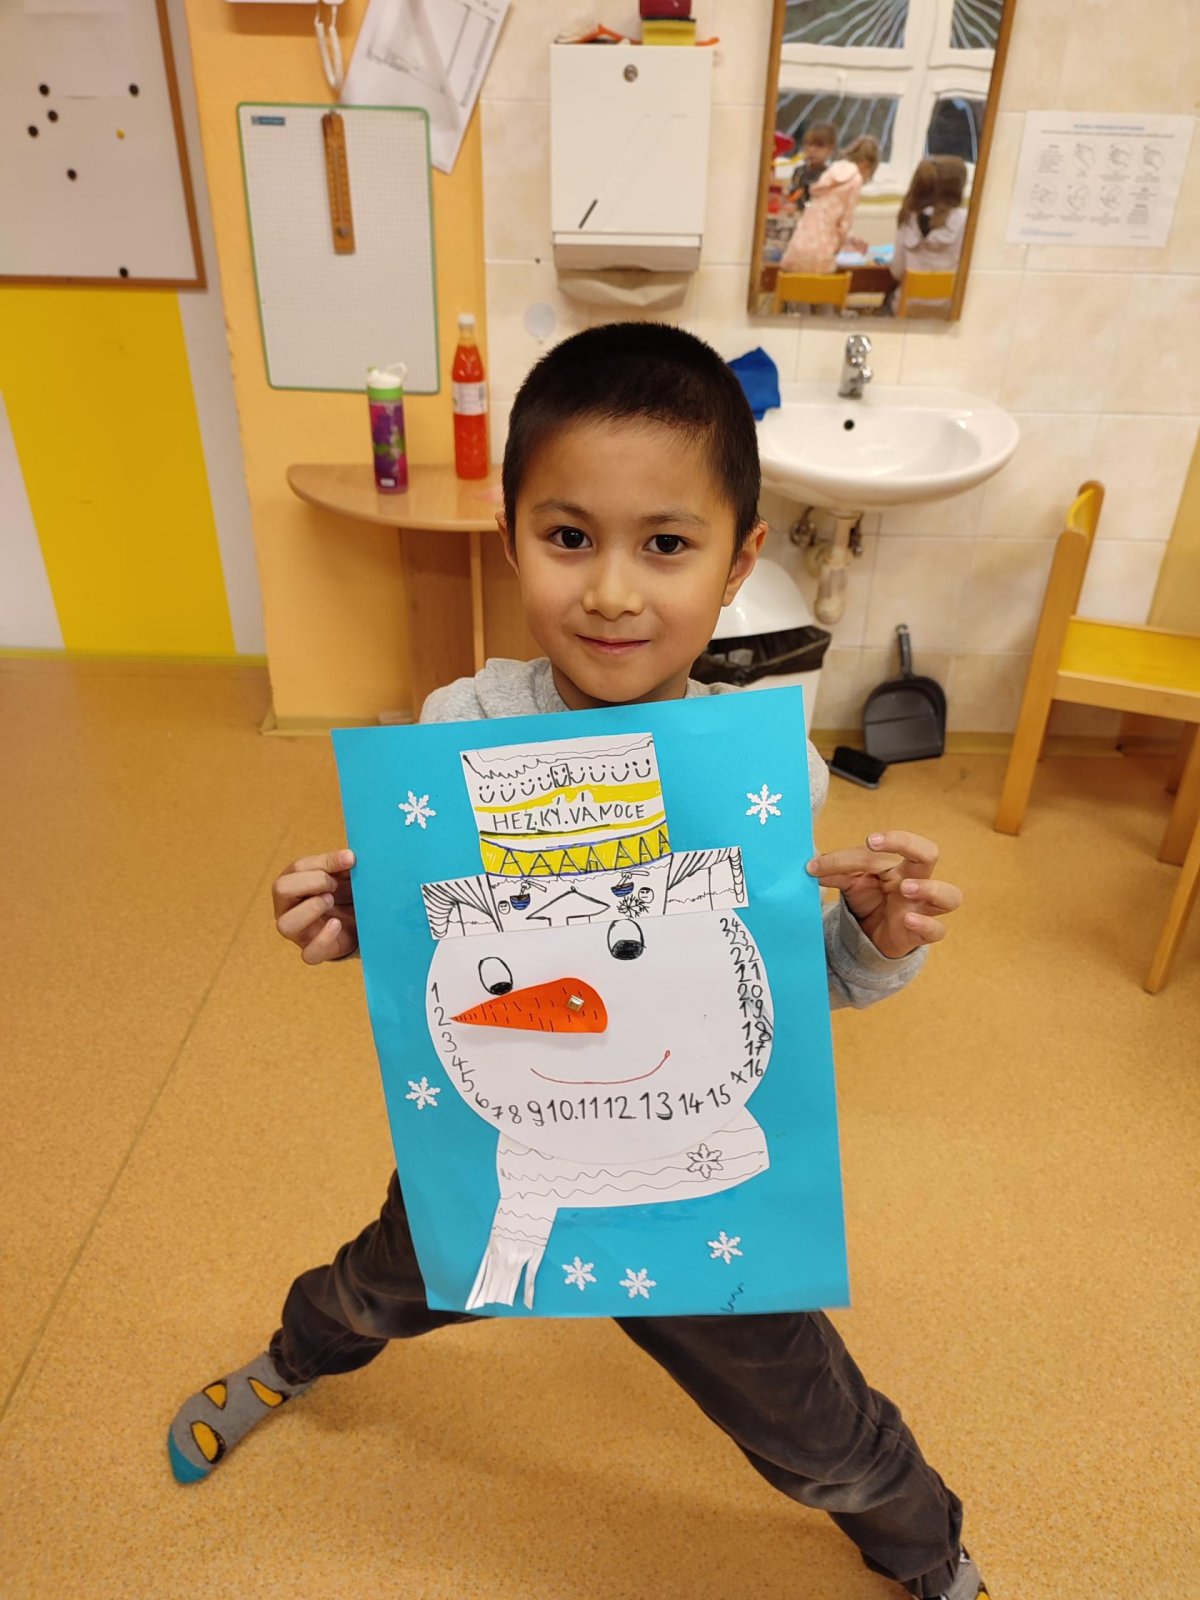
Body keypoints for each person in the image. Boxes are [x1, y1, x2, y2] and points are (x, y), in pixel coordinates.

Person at [166, 323, 985, 1600]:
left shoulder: (765, 772)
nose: (612, 591)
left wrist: (872, 939)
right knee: (381, 1281)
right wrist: (359, 919)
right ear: (511, 538)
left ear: (739, 560)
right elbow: (451, 949)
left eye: (666, 544)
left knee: (819, 1432)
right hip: (507, 1150)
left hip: (695, 1183)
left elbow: (779, 989)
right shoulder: (458, 728)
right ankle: (293, 1355)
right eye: (568, 536)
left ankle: (929, 1553)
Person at [779, 134, 880, 275]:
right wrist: (843, 243)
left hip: (797, 249)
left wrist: (852, 239)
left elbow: (826, 216)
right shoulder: (855, 180)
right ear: (866, 164)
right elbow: (843, 225)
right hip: (821, 257)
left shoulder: (833, 171)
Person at [887, 156, 969, 313]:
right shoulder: (966, 220)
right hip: (948, 310)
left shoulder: (907, 218)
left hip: (907, 309)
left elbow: (897, 272)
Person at [788, 119, 838, 209]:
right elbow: (792, 196)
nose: (812, 150)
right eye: (809, 144)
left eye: (819, 145)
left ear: (830, 149)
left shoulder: (831, 176)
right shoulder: (799, 172)